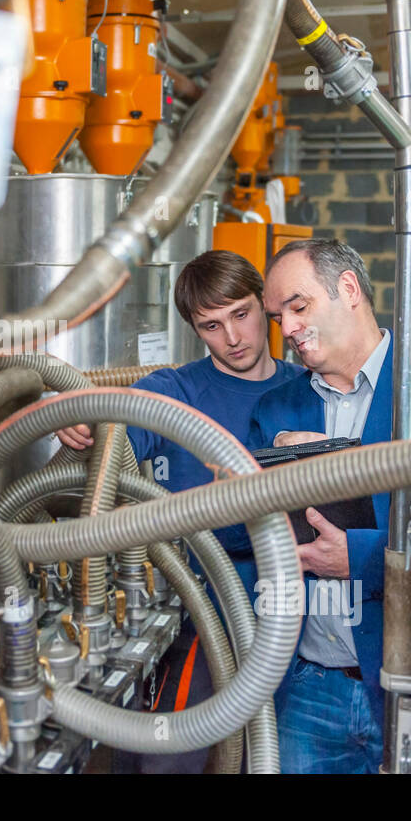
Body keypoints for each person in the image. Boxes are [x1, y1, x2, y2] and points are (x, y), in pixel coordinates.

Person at [247, 238, 411, 774]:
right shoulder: (276, 411)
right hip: (307, 687)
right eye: (277, 315)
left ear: (349, 289)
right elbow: (245, 541)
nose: (285, 329)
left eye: (299, 306)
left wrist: (360, 556)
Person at [56, 250, 303, 773]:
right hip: (198, 613)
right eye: (211, 326)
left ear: (265, 305)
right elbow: (117, 434)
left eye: (241, 314)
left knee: (272, 757)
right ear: (194, 329)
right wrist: (84, 427)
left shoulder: (306, 392)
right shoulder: (173, 392)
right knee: (170, 760)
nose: (233, 338)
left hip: (293, 615)